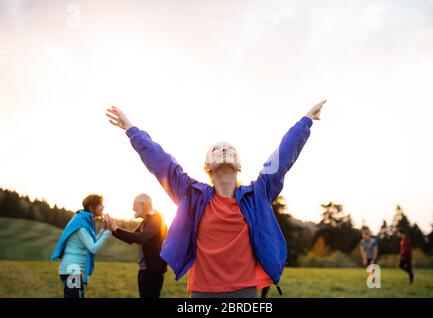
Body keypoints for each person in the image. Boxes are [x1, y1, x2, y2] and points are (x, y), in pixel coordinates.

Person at [105, 99, 326, 298]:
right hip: (202, 293)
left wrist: (305, 122)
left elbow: (282, 157)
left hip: (245, 292)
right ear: (207, 167)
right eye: (216, 150)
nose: (222, 149)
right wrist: (131, 129)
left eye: (228, 149)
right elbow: (161, 161)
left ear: (238, 165)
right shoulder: (191, 195)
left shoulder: (257, 195)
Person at [105, 194, 167, 298]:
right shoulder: (146, 221)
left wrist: (116, 229)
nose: (133, 208)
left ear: (143, 205)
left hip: (153, 272)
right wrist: (112, 228)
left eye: (135, 205)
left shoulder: (157, 219)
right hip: (145, 270)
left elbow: (141, 238)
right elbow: (132, 238)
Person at [51, 194, 112, 298]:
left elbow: (91, 243)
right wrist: (109, 232)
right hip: (72, 269)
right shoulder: (81, 225)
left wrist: (103, 229)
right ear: (91, 208)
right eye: (100, 204)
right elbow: (93, 248)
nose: (103, 207)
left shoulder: (83, 220)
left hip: (72, 269)